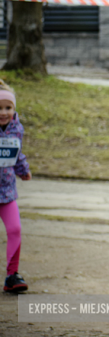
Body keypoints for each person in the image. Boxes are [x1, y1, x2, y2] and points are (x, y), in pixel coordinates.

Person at [0, 79, 31, 293]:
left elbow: (17, 154)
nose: (4, 113)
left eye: (8, 108)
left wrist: (23, 170)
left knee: (15, 229)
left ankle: (12, 276)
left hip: (6, 192)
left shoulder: (16, 129)